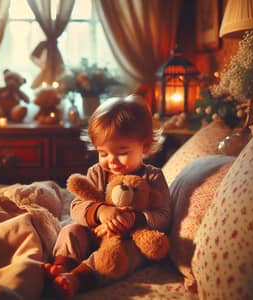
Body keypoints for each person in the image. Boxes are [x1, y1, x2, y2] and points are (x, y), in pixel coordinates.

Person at [42, 95, 171, 299]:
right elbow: (76, 207)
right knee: (71, 230)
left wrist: (136, 219)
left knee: (122, 258)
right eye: (103, 153)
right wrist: (100, 211)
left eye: (121, 152)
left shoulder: (153, 176)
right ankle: (61, 265)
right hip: (94, 233)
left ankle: (79, 278)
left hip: (128, 240)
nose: (111, 161)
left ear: (144, 146)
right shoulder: (97, 173)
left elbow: (164, 216)